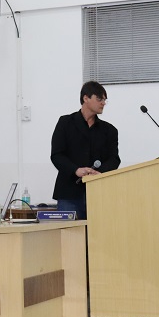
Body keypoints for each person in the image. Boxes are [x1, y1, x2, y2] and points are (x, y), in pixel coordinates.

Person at [50, 81, 120, 219]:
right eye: (99, 99)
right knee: (70, 232)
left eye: (105, 100)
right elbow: (57, 155)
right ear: (86, 98)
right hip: (69, 193)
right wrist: (75, 170)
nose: (103, 103)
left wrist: (99, 172)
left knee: (99, 231)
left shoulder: (109, 130)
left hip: (98, 193)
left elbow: (114, 159)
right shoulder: (65, 123)